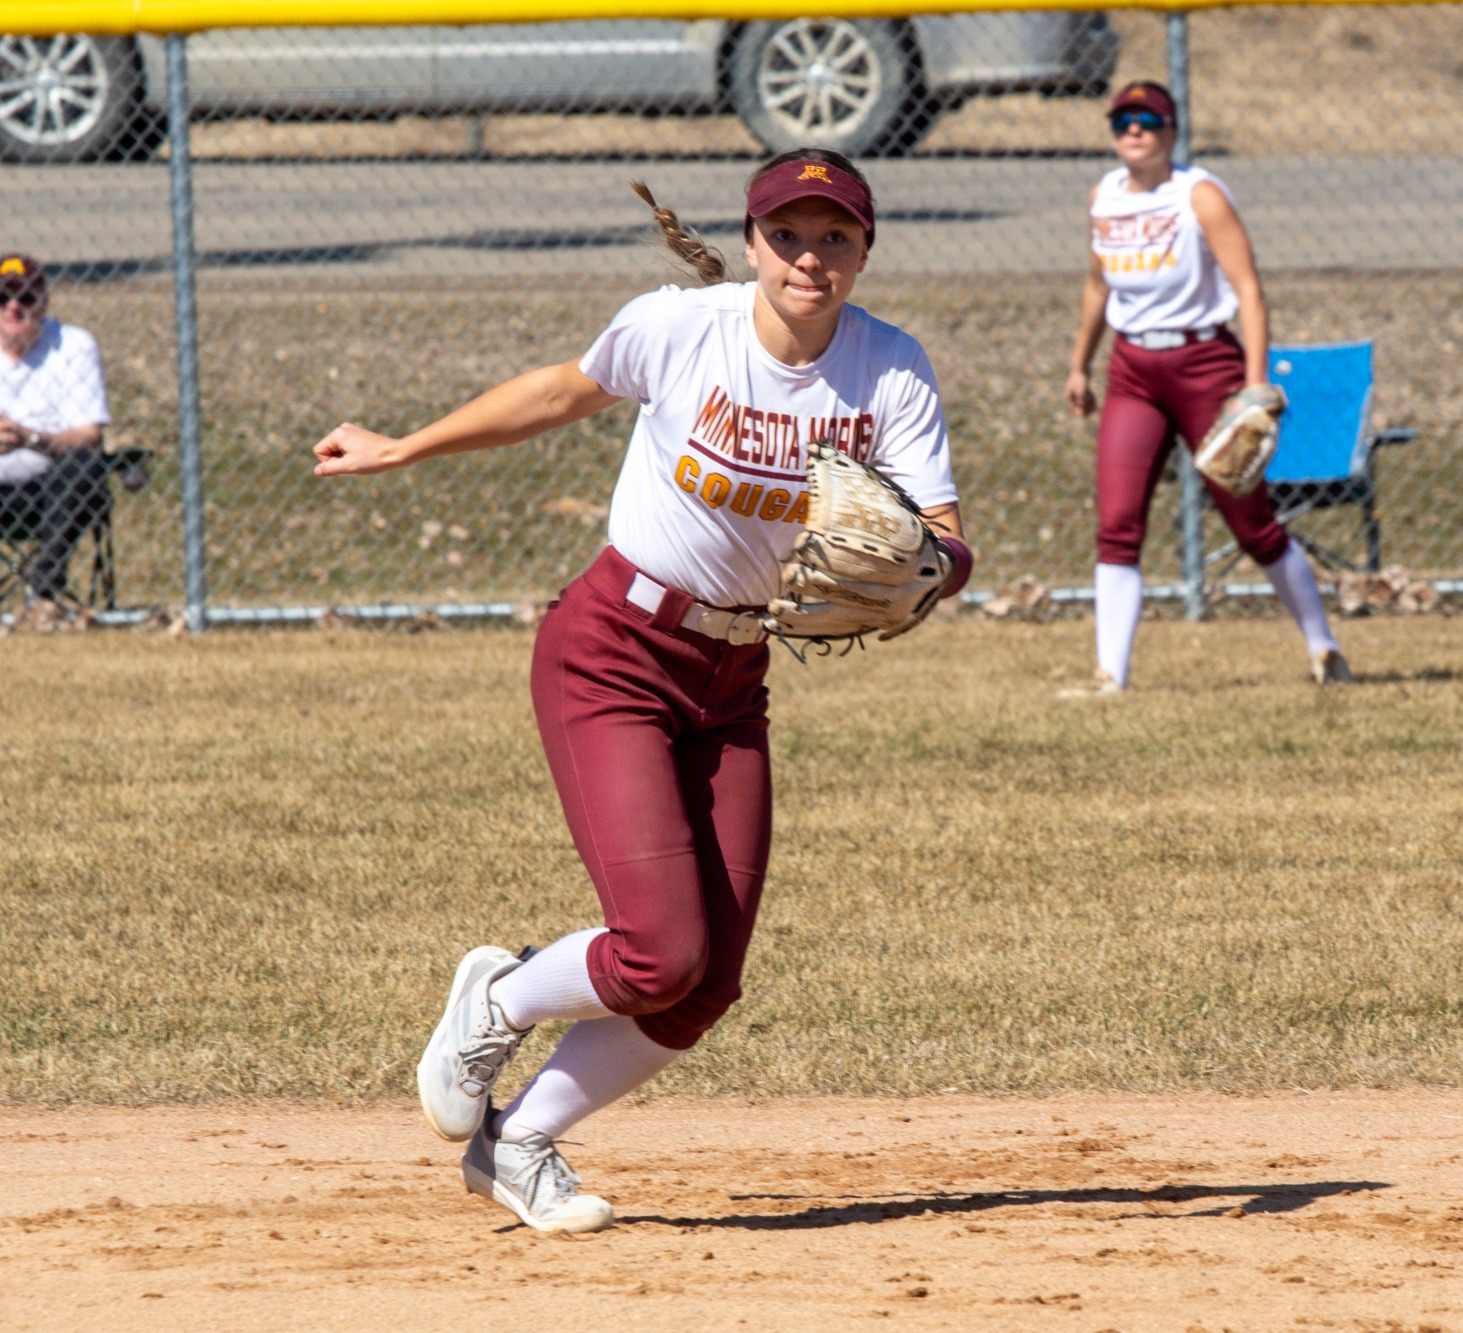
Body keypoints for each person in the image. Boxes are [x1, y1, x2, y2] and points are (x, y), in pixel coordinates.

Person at [312, 150, 973, 1234]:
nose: (810, 256)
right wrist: (404, 448)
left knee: (706, 981)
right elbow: (558, 393)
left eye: (835, 237)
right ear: (753, 243)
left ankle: (519, 1143)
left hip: (733, 673)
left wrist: (935, 570)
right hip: (611, 651)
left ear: (864, 251)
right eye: (788, 235)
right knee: (661, 949)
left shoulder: (889, 370)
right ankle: (500, 994)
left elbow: (945, 536)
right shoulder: (683, 327)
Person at [1062, 81, 1353, 693]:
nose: (1133, 130)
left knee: (1251, 524)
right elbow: (1097, 286)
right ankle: (1109, 675)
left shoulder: (1200, 194)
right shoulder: (1105, 196)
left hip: (1205, 364)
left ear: (1171, 131)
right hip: (1134, 368)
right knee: (1117, 521)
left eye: (1148, 119)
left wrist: (1254, 385)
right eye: (1122, 120)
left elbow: (1247, 288)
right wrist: (1079, 366)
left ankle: (1324, 649)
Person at [0, 252, 113, 608]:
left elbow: (89, 436)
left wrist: (28, 438)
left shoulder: (72, 346)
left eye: (26, 298)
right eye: (2, 297)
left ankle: (44, 595)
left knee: (84, 465)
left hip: (48, 490)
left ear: (44, 304)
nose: (13, 307)